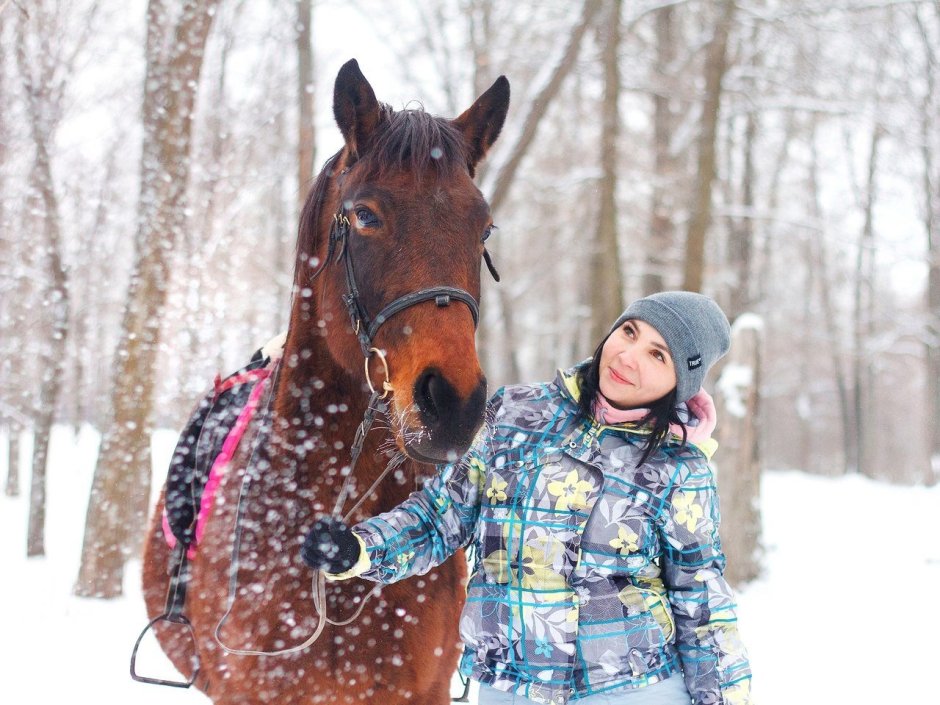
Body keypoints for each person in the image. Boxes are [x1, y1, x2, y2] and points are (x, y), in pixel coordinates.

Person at [301, 291, 753, 705]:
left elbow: (701, 596)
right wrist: (362, 549)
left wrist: (726, 697)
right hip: (508, 682)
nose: (628, 357)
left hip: (627, 687)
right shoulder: (518, 413)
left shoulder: (678, 466)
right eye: (630, 332)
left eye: (658, 355)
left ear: (681, 382)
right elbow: (441, 515)